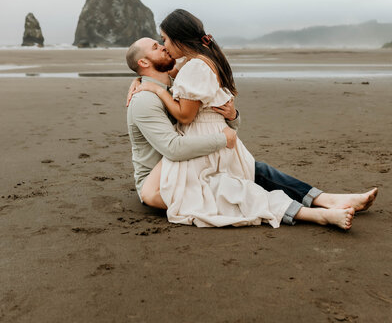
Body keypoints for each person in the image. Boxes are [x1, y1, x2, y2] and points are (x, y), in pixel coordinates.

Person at [126, 12, 377, 229]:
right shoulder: (149, 97)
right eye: (158, 45)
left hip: (193, 157)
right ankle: (317, 211)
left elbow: (206, 113)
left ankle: (325, 199)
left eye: (164, 41)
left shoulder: (178, 76)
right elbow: (174, 146)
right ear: (145, 62)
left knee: (254, 171)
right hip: (158, 180)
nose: (164, 46)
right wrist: (222, 138)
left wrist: (232, 118)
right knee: (236, 187)